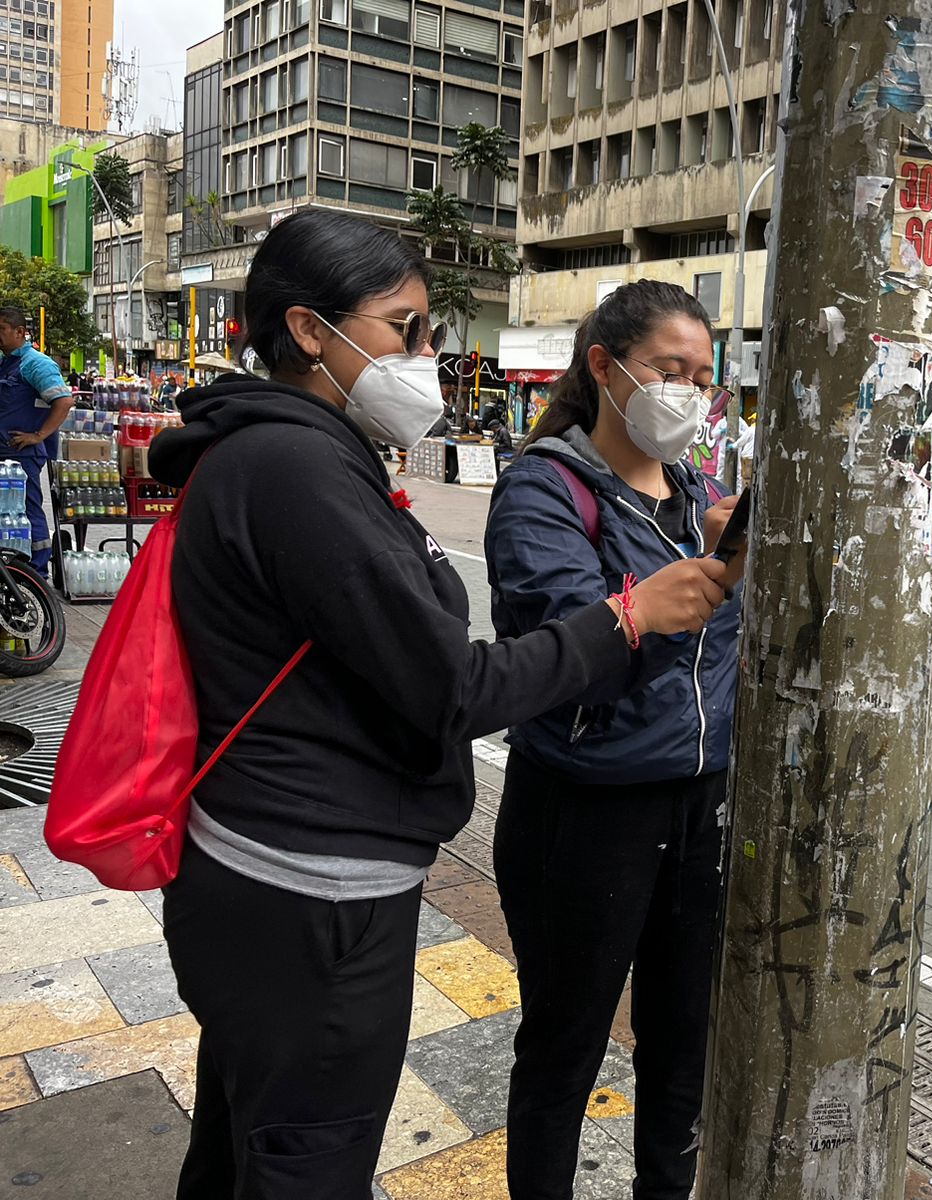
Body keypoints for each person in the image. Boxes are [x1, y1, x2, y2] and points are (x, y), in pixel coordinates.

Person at [149, 210, 731, 1200]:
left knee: (258, 1136)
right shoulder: (295, 468)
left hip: (303, 871)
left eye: (702, 373)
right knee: (308, 1153)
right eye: (407, 327)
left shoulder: (298, 455)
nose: (428, 353)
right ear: (308, 330)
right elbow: (457, 686)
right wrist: (633, 616)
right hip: (311, 887)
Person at [484, 279, 742, 1200]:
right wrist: (642, 610)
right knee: (564, 1048)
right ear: (605, 367)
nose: (689, 393)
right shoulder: (543, 493)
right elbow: (560, 656)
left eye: (703, 377)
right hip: (584, 815)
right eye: (670, 371)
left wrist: (734, 562)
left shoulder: (695, 495)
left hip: (701, 809)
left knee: (683, 1051)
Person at [0, 307, 74, 574]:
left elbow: (64, 401)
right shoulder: (5, 361)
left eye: (2, 329)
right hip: (5, 456)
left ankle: (38, 571)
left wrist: (38, 436)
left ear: (20, 332)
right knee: (8, 516)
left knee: (28, 511)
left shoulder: (35, 363)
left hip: (22, 456)